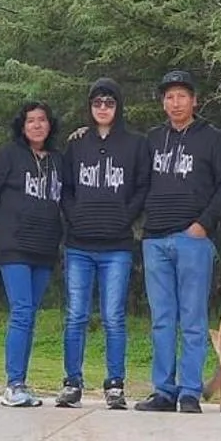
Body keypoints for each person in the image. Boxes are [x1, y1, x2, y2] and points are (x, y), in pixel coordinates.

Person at [134, 70, 221, 413]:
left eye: (181, 96)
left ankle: (190, 391)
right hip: (155, 240)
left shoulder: (213, 139)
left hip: (193, 239)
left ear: (194, 100)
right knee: (163, 319)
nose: (175, 103)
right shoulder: (151, 139)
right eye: (169, 97)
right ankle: (164, 391)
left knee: (192, 318)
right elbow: (133, 177)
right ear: (163, 103)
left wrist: (204, 225)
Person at [55, 77, 149, 409]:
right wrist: (73, 215)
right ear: (90, 107)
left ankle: (115, 384)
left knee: (113, 316)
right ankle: (72, 382)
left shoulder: (135, 144)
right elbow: (64, 187)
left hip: (117, 246)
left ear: (118, 107)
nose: (103, 108)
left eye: (109, 103)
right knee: (76, 315)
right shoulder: (77, 143)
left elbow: (141, 187)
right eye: (97, 103)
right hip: (79, 244)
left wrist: (127, 217)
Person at [0, 100, 64, 407]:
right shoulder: (8, 156)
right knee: (22, 311)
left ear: (50, 125)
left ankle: (22, 382)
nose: (37, 125)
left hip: (44, 248)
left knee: (30, 316)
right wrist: (7, 224)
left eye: (42, 119)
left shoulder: (58, 160)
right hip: (14, 247)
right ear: (22, 126)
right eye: (31, 120)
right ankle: (13, 385)